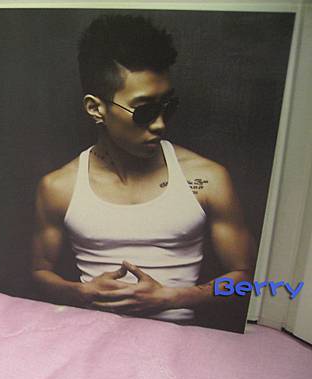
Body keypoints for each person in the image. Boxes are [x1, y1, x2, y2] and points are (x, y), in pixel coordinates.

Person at [31, 14, 256, 324]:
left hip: (178, 344)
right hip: (88, 338)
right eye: (145, 111)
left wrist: (173, 298)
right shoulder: (59, 186)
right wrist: (81, 293)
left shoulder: (207, 178)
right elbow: (38, 273)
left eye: (167, 106)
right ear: (96, 108)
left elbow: (246, 278)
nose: (160, 124)